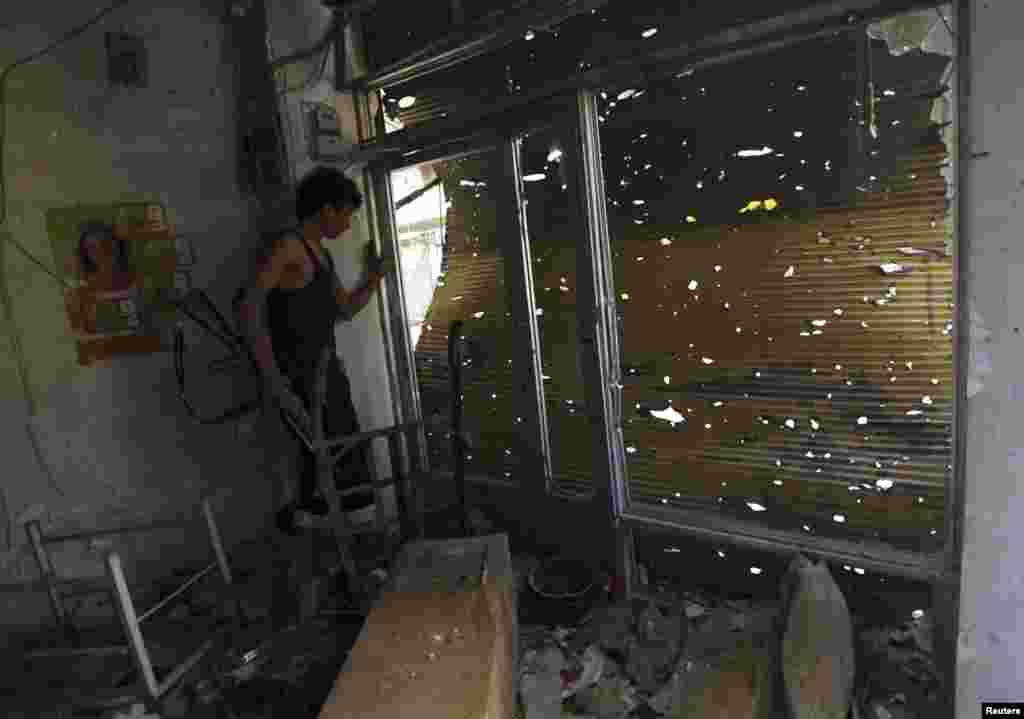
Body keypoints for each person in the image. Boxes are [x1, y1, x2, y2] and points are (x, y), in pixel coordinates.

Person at [235, 166, 396, 535]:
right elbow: (248, 307)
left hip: (326, 374)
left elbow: (344, 310)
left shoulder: (320, 254)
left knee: (344, 464)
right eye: (347, 214)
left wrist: (373, 278)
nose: (348, 224)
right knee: (330, 468)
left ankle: (339, 550)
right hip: (300, 376)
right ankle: (324, 544)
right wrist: (275, 381)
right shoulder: (288, 247)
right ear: (327, 209)